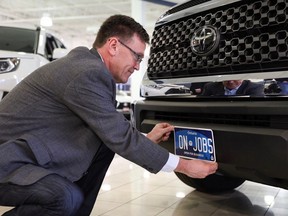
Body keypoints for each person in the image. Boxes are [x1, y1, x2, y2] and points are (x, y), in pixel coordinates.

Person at [0, 14, 218, 216]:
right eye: (137, 57)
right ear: (114, 45)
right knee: (63, 197)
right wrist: (184, 165)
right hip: (7, 162)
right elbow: (119, 136)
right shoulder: (87, 72)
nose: (137, 66)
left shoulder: (88, 67)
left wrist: (145, 139)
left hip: (26, 155)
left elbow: (111, 131)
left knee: (101, 149)